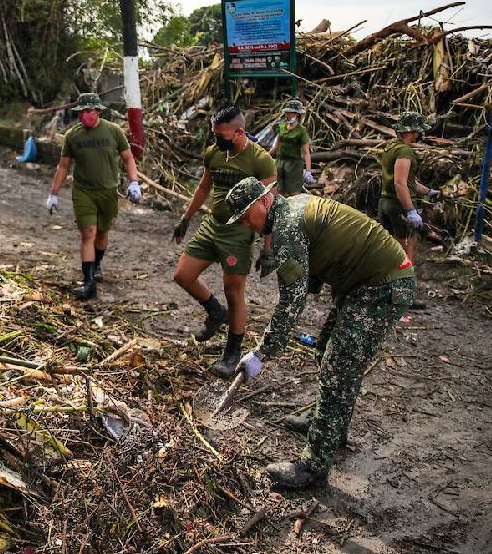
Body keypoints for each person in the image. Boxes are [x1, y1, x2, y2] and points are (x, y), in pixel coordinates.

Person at [225, 177, 415, 489]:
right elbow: (309, 272)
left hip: (382, 285)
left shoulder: (286, 226)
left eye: (247, 215)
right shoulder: (291, 208)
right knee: (328, 348)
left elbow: (292, 302)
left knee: (338, 367)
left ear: (264, 201)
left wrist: (262, 353)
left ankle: (313, 465)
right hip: (365, 285)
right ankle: (330, 428)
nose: (247, 224)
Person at [171, 105, 276, 378]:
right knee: (183, 274)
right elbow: (204, 187)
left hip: (239, 232)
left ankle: (232, 352)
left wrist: (268, 249)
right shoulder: (214, 153)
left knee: (234, 292)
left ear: (239, 132)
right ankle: (216, 313)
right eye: (215, 134)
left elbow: (269, 207)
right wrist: (185, 218)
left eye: (223, 135)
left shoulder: (261, 160)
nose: (218, 140)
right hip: (212, 226)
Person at [47, 93, 140, 300]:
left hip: (107, 191)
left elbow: (128, 158)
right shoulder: (73, 135)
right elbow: (63, 166)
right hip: (83, 191)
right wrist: (53, 193)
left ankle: (97, 264)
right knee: (88, 233)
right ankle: (88, 282)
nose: (85, 115)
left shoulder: (113, 131)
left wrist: (134, 182)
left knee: (102, 233)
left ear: (98, 111)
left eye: (89, 111)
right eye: (82, 112)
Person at [377, 111, 439, 308]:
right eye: (418, 131)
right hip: (399, 207)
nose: (419, 135)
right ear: (411, 131)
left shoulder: (390, 147)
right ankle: (403, 296)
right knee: (405, 250)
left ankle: (384, 289)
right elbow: (400, 183)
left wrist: (427, 191)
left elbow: (407, 181)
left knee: (388, 249)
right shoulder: (405, 151)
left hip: (385, 203)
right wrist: (410, 210)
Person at [269, 99, 313, 195]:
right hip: (280, 163)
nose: (287, 115)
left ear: (297, 114)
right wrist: (266, 156)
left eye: (290, 113)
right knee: (279, 191)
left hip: (294, 165)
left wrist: (308, 171)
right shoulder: (282, 127)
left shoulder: (301, 131)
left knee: (293, 193)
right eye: (286, 113)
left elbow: (306, 152)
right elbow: (276, 146)